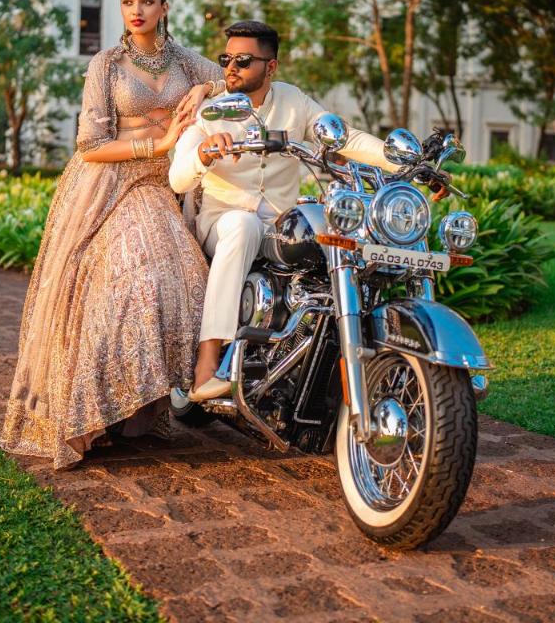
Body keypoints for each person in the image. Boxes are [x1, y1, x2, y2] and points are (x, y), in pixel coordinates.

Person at [0, 0, 225, 469]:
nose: (136, 10)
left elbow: (233, 74)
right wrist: (160, 143)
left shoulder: (185, 60)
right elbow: (91, 145)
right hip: (113, 184)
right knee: (139, 275)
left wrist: (207, 91)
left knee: (186, 276)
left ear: (164, 7)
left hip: (169, 186)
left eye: (147, 0)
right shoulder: (107, 64)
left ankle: (140, 409)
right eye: (127, 1)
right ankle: (88, 411)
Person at [169, 20, 396, 400]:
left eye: (243, 60)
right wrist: (204, 153)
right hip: (223, 221)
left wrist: (402, 160)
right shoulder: (211, 110)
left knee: (338, 234)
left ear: (270, 67)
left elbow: (343, 136)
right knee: (242, 226)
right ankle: (208, 362)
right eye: (226, 58)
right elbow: (178, 178)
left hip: (278, 223)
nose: (230, 68)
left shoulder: (293, 101)